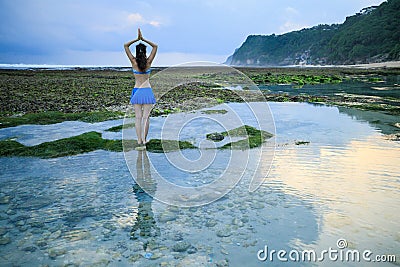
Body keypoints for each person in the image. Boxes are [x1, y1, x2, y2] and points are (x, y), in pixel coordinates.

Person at [124, 28, 158, 149]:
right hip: (147, 90)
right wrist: (143, 39)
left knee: (138, 117)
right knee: (145, 117)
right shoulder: (148, 62)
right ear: (144, 51)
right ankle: (144, 139)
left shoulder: (133, 62)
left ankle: (139, 141)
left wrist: (136, 39)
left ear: (137, 51)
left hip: (137, 91)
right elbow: (155, 47)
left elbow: (125, 46)